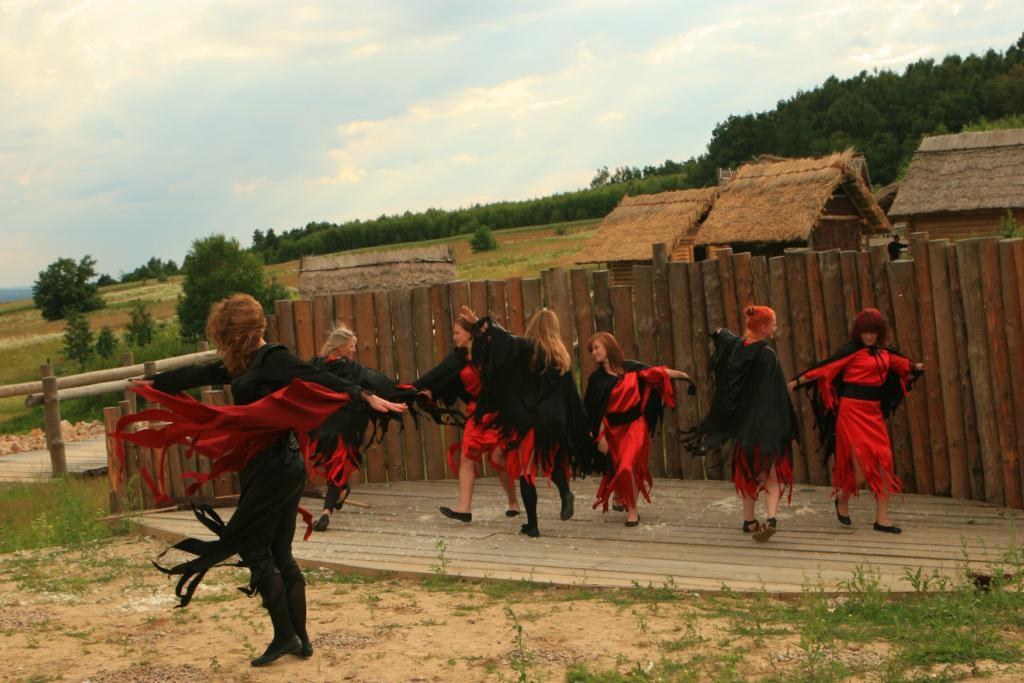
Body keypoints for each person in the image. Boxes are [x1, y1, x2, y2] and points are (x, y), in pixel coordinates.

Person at [117, 294, 406, 667]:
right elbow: (206, 372)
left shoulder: (273, 358)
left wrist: (362, 394)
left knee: (255, 549)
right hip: (274, 463)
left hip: (274, 464)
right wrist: (155, 382)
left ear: (242, 332)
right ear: (258, 327)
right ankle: (300, 639)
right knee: (280, 551)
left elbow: (317, 376)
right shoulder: (247, 363)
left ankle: (286, 635)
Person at [789, 308, 924, 534]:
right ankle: (842, 501)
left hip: (874, 414)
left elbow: (904, 366)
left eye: (873, 333)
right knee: (860, 469)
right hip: (852, 412)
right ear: (858, 333)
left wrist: (915, 368)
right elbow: (823, 369)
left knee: (884, 463)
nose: (869, 337)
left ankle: (881, 518)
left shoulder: (885, 354)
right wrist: (795, 383)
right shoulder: (850, 352)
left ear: (879, 333)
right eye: (865, 332)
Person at [465, 306, 590, 538]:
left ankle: (532, 525)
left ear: (535, 326)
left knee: (527, 471)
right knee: (552, 462)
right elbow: (570, 395)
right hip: (556, 421)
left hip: (533, 419)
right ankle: (565, 492)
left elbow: (506, 342)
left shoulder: (530, 349)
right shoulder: (562, 356)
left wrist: (481, 326)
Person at [309, 324, 440, 532]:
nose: (354, 350)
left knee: (331, 463)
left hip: (321, 424)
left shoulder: (314, 365)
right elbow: (382, 382)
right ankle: (332, 503)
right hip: (346, 424)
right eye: (351, 346)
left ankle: (332, 503)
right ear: (340, 346)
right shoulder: (352, 369)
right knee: (339, 465)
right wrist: (412, 391)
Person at [683, 305, 796, 542]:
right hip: (765, 426)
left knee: (750, 473)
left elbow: (725, 336)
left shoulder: (736, 348)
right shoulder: (767, 355)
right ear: (764, 328)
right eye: (773, 324)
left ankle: (749, 520)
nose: (775, 328)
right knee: (771, 474)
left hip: (743, 426)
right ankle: (772, 519)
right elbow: (777, 395)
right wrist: (786, 426)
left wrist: (719, 330)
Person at [414, 318, 521, 523]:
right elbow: (442, 379)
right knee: (467, 457)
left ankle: (513, 502)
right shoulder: (456, 359)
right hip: (476, 415)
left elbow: (507, 356)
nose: (454, 337)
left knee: (499, 459)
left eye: (457, 333)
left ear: (469, 334)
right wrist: (429, 393)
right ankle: (464, 508)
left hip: (498, 413)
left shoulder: (489, 353)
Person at [584, 332, 688, 526]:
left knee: (627, 466)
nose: (594, 352)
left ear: (609, 346)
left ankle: (632, 511)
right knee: (619, 468)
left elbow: (657, 373)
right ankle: (623, 498)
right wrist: (601, 438)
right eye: (592, 350)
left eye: (597, 347)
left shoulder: (631, 369)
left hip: (635, 427)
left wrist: (681, 376)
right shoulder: (597, 380)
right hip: (613, 431)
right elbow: (595, 413)